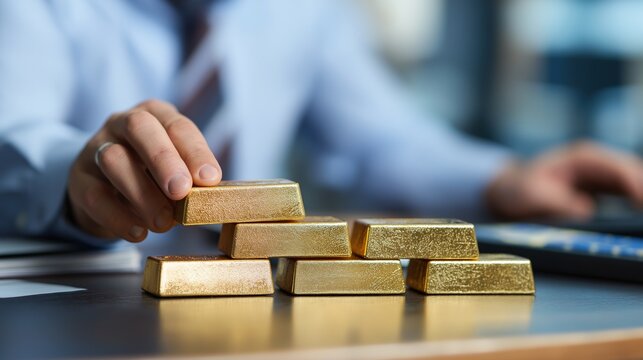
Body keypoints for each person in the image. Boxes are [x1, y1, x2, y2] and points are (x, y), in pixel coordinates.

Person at [1, 0, 642, 247]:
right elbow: (12, 134)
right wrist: (75, 179)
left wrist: (504, 180)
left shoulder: (304, 10)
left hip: (246, 316)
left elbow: (379, 139)